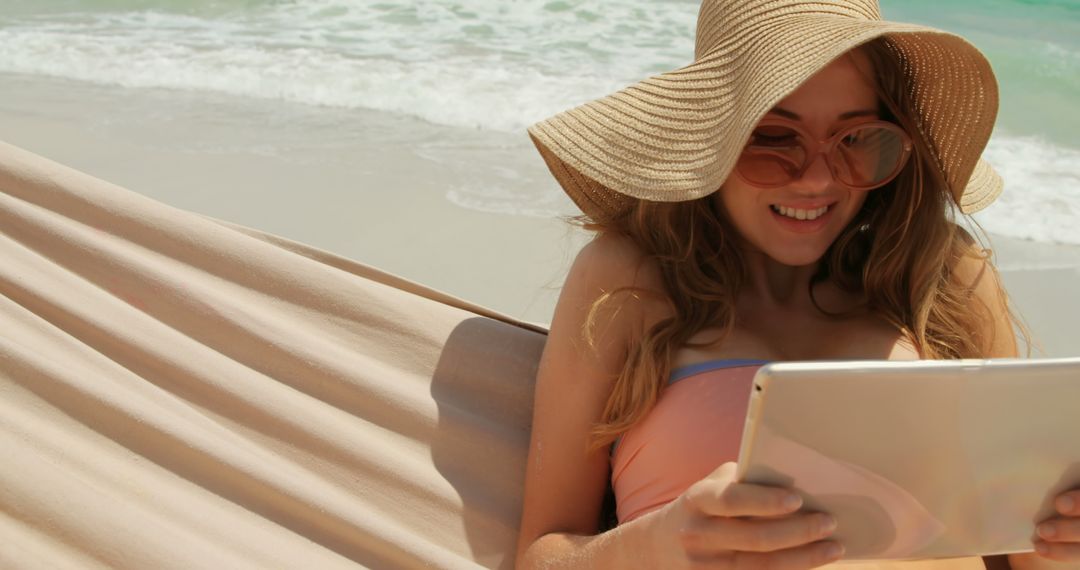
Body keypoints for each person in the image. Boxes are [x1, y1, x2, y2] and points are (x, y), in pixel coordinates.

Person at [515, 0, 1079, 568]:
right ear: (713, 137)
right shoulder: (629, 281)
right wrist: (660, 540)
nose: (817, 179)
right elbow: (541, 554)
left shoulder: (944, 278)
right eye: (775, 138)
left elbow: (1026, 555)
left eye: (856, 139)